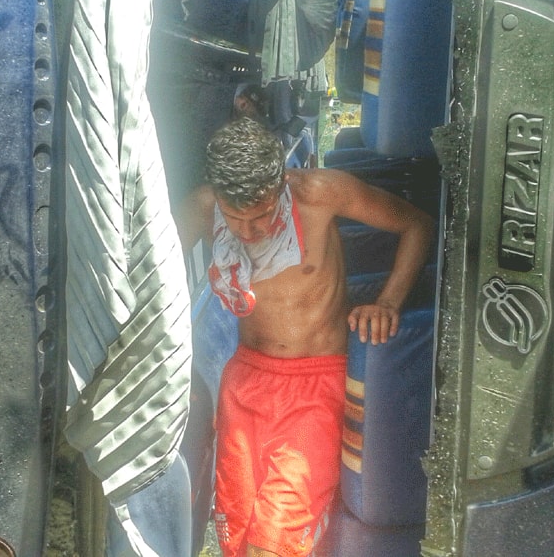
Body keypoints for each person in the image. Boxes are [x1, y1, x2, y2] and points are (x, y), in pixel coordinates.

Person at [178, 116, 433, 557]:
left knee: (272, 544)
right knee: (237, 542)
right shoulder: (200, 208)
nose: (249, 232)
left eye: (260, 216)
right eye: (236, 218)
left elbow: (417, 225)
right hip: (243, 385)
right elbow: (144, 274)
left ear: (281, 185)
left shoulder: (319, 192)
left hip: (315, 388)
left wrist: (388, 302)